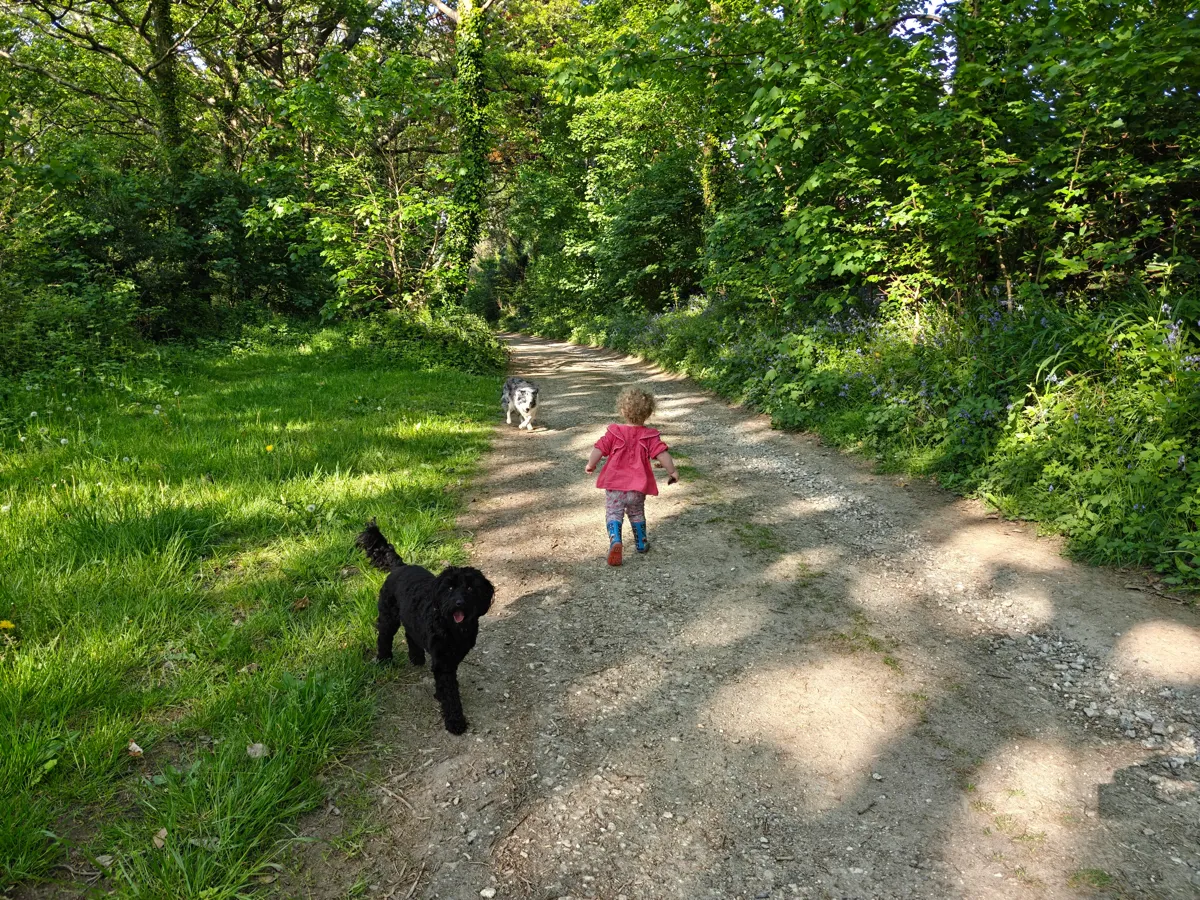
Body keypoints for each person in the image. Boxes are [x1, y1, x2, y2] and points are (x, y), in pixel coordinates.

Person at [585, 386, 679, 566]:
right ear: (649, 413)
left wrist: (591, 465)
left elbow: (599, 449)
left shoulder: (614, 432)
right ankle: (641, 543)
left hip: (615, 486)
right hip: (638, 487)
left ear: (622, 410)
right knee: (636, 512)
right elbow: (663, 454)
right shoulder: (650, 436)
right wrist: (672, 471)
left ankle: (615, 541)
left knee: (614, 512)